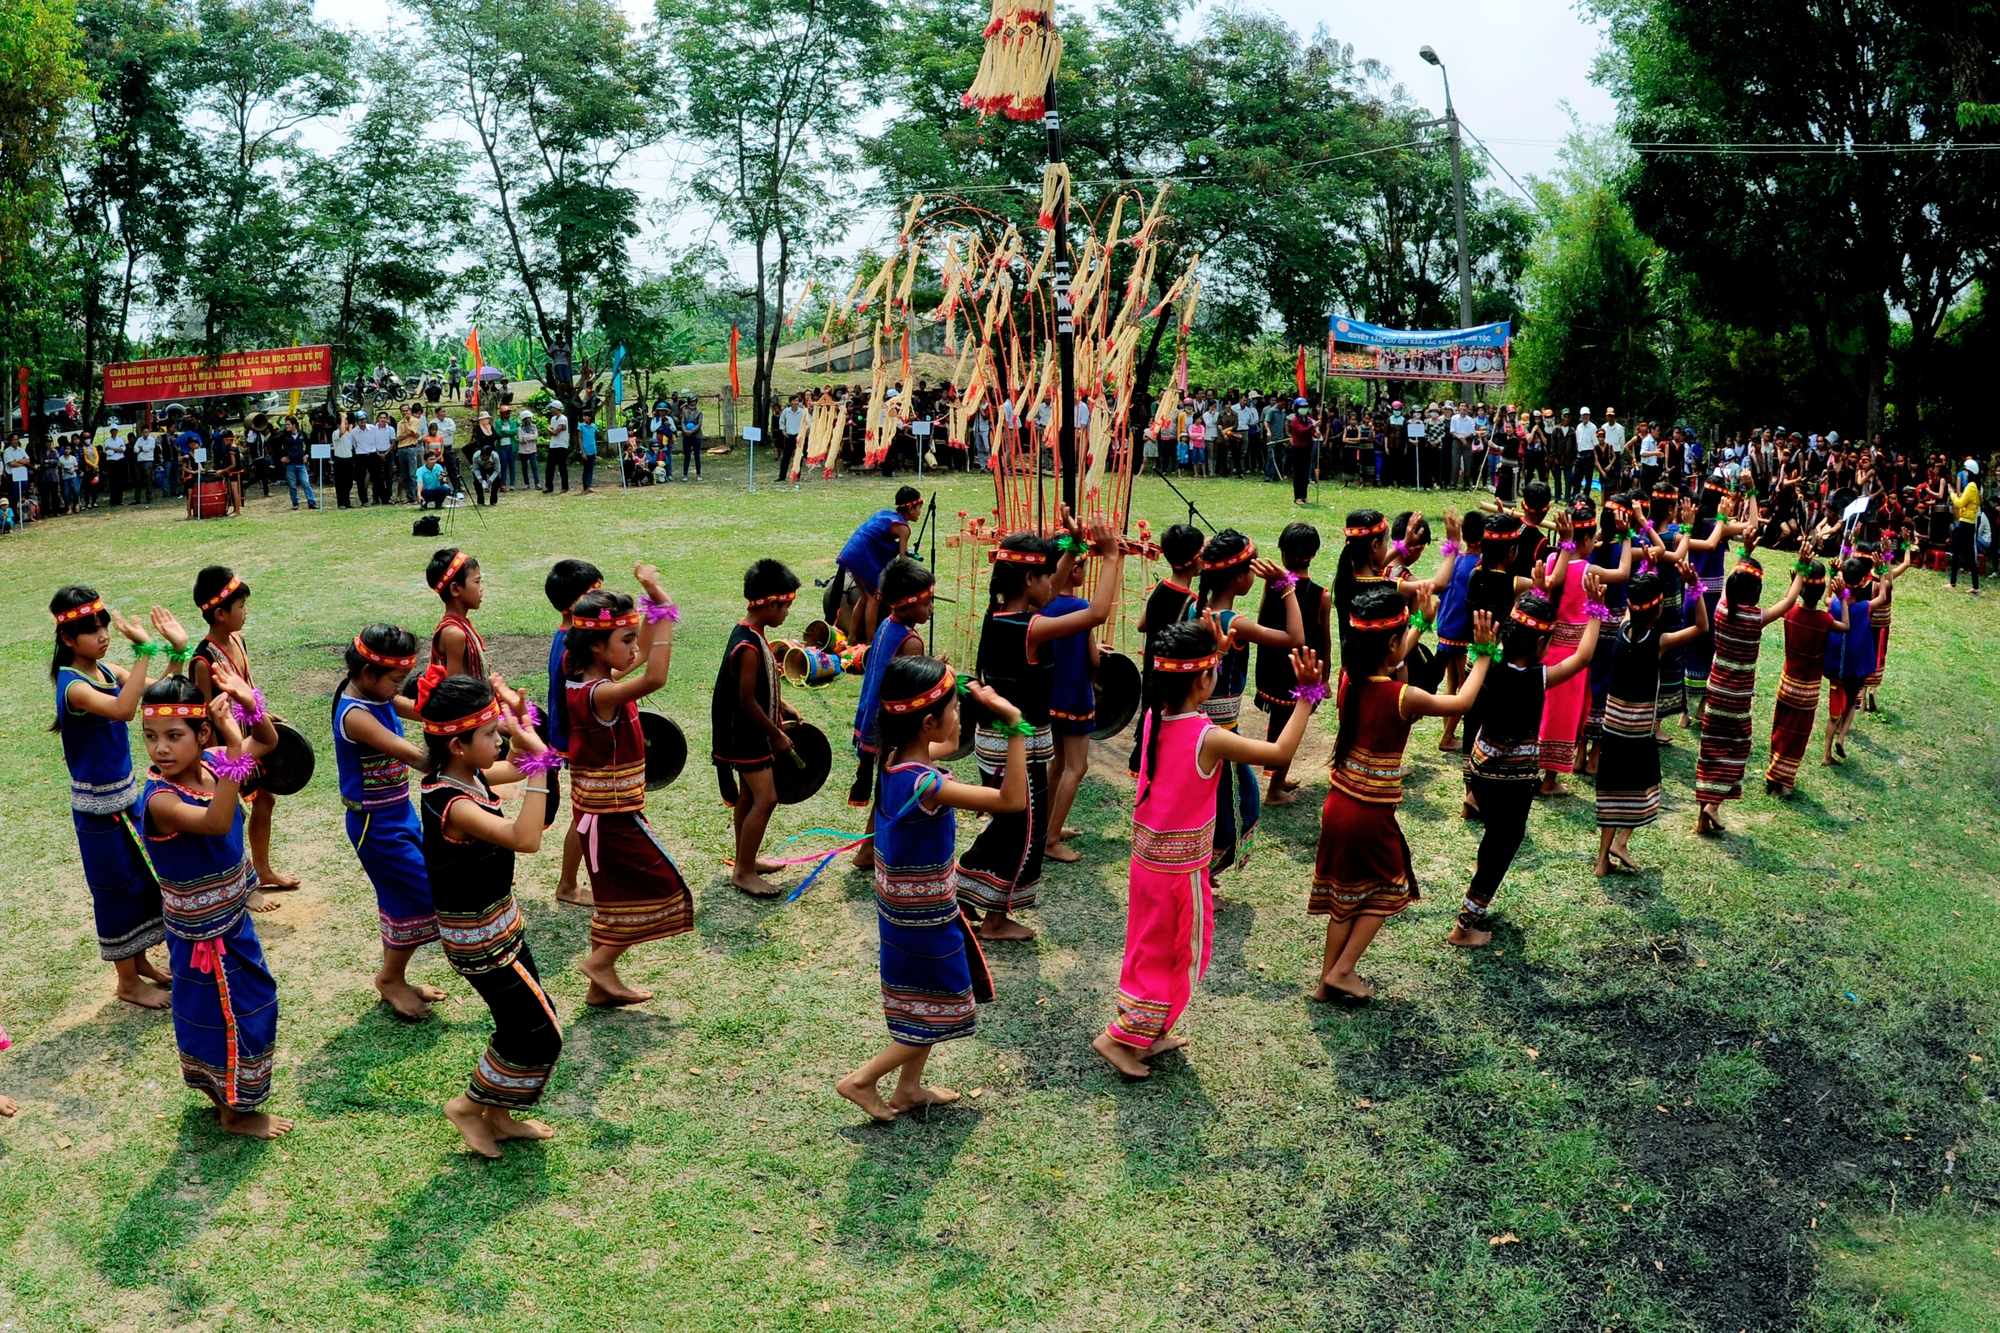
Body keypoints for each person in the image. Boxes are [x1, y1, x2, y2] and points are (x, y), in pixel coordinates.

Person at [1093, 625, 1326, 1076]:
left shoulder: (1154, 716)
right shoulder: (1207, 736)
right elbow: (1278, 753)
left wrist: (1211, 654)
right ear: (1202, 681)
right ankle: (1118, 1038)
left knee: (1149, 951)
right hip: (1177, 875)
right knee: (1173, 957)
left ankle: (1150, 1033)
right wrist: (1305, 697)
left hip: (1148, 865)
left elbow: (1193, 689)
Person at [835, 656, 1015, 1122]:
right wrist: (1015, 725)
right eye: (954, 707)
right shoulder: (928, 783)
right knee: (947, 1003)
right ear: (928, 721)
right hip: (924, 913)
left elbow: (950, 739)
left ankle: (909, 1088)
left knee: (922, 997)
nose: (959, 716)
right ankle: (861, 1079)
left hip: (907, 905)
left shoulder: (898, 762)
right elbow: (1010, 801)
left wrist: (955, 691)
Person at [1312, 587, 1495, 1001]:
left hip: (1338, 804)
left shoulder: (1349, 679)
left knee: (1345, 895)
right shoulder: (1401, 696)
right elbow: (1463, 701)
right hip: (1369, 814)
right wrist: (1484, 653)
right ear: (1390, 643)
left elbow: (1390, 657)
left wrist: (1419, 623)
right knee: (1389, 888)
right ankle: (1342, 971)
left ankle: (1326, 984)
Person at [138, 667, 292, 1138]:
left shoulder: (208, 765)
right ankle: (235, 1113)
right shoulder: (160, 798)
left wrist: (249, 703)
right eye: (149, 736)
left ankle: (224, 1094)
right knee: (232, 1012)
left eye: (172, 735)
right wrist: (232, 748)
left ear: (200, 732)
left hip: (227, 924)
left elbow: (265, 741)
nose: (160, 748)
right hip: (205, 937)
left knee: (232, 1009)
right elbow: (219, 822)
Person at [419, 674, 563, 1157]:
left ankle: (498, 1117)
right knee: (538, 1033)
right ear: (458, 745)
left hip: (501, 926)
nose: (499, 741)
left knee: (525, 1025)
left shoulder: (469, 775)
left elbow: (520, 767)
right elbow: (526, 838)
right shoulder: (452, 802)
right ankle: (467, 1106)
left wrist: (523, 729)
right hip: (479, 941)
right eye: (489, 735)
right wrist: (539, 759)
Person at [959, 514, 1120, 941]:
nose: (1055, 582)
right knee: (1019, 830)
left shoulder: (1001, 616)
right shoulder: (1031, 628)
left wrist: (1072, 547)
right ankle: (977, 901)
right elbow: (1098, 612)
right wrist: (1110, 555)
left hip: (997, 739)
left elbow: (1047, 590)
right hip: (1014, 745)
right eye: (1048, 576)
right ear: (1030, 579)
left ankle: (983, 904)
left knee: (1015, 826)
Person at [49, 587, 185, 1008]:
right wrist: (143, 649)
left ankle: (140, 964)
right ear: (68, 640)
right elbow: (125, 710)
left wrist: (177, 651)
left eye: (104, 625)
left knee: (141, 879)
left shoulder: (107, 671)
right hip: (97, 810)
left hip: (125, 798)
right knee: (114, 888)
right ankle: (126, 982)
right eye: (92, 630)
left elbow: (156, 697)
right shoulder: (73, 687)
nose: (104, 634)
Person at [564, 569, 690, 1004]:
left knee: (613, 899)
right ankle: (600, 963)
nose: (634, 650)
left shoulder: (597, 679)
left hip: (605, 811)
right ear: (597, 645)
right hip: (610, 817)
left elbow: (642, 654)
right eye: (625, 641)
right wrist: (665, 609)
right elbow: (655, 677)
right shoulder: (598, 693)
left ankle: (600, 989)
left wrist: (657, 603)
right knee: (663, 886)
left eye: (634, 640)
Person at [1453, 587, 1601, 942]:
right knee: (1505, 842)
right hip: (1512, 779)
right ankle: (1464, 926)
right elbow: (1582, 658)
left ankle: (1482, 871)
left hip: (1480, 768)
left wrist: (1486, 646)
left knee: (1495, 835)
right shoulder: (1537, 678)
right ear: (1540, 645)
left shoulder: (1485, 666)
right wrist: (1595, 609)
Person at [330, 621, 450, 1018]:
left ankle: (393, 978)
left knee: (401, 898)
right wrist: (466, 746)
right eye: (397, 679)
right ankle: (390, 978)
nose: (402, 687)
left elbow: (422, 712)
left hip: (400, 813)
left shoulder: (380, 697)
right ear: (368, 674)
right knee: (424, 895)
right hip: (375, 826)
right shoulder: (356, 715)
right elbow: (419, 758)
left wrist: (464, 717)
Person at [1183, 530, 1299, 871]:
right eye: (1250, 569)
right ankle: (1200, 875)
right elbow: (1296, 638)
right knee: (1237, 805)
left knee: (1209, 803)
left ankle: (1201, 872)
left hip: (1198, 723)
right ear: (1238, 576)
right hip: (1221, 732)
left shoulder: (1196, 608)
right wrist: (1287, 587)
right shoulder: (1232, 623)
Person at [188, 566, 296, 903]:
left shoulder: (237, 639)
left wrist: (261, 714)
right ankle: (242, 887)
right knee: (230, 813)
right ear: (220, 614)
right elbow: (207, 716)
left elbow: (245, 688)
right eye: (241, 607)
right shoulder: (203, 661)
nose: (245, 612)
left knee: (265, 799)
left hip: (251, 735)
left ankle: (262, 869)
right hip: (227, 748)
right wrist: (224, 764)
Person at [1593, 573, 1709, 874]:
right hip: (1639, 730)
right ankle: (1622, 841)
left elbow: (1635, 606)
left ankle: (1602, 859)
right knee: (1647, 786)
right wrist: (1694, 587)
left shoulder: (1621, 630)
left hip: (1612, 725)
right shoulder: (1659, 641)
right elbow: (1702, 628)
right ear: (1658, 611)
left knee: (1611, 788)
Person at [709, 560, 804, 898]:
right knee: (767, 798)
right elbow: (746, 701)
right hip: (745, 735)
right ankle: (744, 872)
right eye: (786, 606)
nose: (787, 614)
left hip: (746, 732)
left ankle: (744, 860)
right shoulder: (748, 646)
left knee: (749, 797)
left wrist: (782, 705)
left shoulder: (754, 634)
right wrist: (777, 733)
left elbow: (762, 688)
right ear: (769, 603)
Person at [1693, 556, 1804, 834]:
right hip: (1738, 700)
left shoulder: (1720, 610)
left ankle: (1701, 822)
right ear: (1755, 592)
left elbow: (1735, 579)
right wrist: (1801, 566)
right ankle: (1714, 805)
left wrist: (1745, 553)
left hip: (1715, 693)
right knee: (1738, 750)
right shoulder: (1755, 619)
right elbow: (1789, 602)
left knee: (1710, 752)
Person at [847, 556, 937, 853]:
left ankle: (869, 850)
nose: (931, 608)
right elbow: (909, 688)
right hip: (892, 723)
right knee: (892, 786)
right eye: (927, 603)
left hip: (872, 716)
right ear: (907, 605)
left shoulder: (887, 623)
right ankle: (868, 851)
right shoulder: (911, 642)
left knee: (886, 786)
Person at [1251, 523, 1331, 806]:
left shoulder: (1272, 585)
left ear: (1283, 555)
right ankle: (1274, 790)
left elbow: (1261, 622)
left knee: (1281, 725)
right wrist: (1325, 678)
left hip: (1272, 667)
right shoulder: (1322, 596)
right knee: (1288, 730)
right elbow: (1324, 642)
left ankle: (1279, 779)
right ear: (1315, 555)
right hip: (1302, 674)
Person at [1764, 552, 1847, 796]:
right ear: (1822, 592)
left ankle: (1774, 774)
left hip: (1786, 686)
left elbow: (1786, 601)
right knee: (1797, 736)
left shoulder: (1789, 614)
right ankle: (1786, 782)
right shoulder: (1824, 620)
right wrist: (1842, 596)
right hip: (1807, 692)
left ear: (1800, 591)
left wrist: (1793, 582)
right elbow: (1846, 627)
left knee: (1780, 729)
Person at [543, 559, 602, 908]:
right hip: (578, 740)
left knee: (593, 812)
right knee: (586, 813)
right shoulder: (573, 646)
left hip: (572, 737)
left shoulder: (567, 637)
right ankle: (567, 885)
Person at [1127, 523, 1205, 775]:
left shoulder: (1161, 588)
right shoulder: (1191, 603)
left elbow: (1141, 625)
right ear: (1195, 562)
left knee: (1151, 718)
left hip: (1151, 671)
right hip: (1172, 677)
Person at [836, 488, 922, 644]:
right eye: (919, 508)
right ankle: (871, 642)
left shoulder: (886, 514)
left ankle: (852, 637)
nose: (920, 512)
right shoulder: (904, 528)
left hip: (851, 551)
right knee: (875, 599)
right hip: (862, 556)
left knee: (864, 598)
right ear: (910, 508)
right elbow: (902, 561)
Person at [1821, 556, 1876, 767]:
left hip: (1834, 668)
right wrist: (1882, 568)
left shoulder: (1833, 604)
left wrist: (1833, 575)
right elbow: (1886, 594)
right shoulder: (1865, 608)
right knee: (1852, 702)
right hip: (1854, 669)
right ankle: (1842, 738)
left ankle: (1826, 755)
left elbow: (1826, 597)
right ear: (1863, 582)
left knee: (1833, 714)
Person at [1947, 459, 1980, 592]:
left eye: (1966, 471)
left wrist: (1951, 492)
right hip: (1970, 524)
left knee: (1956, 551)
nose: (1964, 474)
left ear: (1970, 472)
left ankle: (1952, 582)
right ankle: (1976, 586)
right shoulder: (1975, 486)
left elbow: (1959, 503)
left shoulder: (1971, 486)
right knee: (1970, 556)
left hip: (1965, 523)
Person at [472, 439, 502, 506]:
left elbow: (497, 469)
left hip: (491, 468)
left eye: (485, 456)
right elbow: (475, 468)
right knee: (476, 482)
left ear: (489, 455)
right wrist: (479, 478)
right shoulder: (476, 456)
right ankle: (480, 501)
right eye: (482, 456)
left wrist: (491, 479)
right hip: (480, 468)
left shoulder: (495, 456)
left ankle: (493, 501)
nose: (483, 457)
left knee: (497, 480)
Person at [516, 411, 541, 491]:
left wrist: (526, 437)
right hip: (523, 451)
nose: (530, 419)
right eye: (529, 418)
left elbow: (535, 437)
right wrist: (530, 437)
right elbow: (520, 439)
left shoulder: (534, 427)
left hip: (532, 449)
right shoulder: (520, 428)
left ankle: (537, 483)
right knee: (524, 467)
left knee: (534, 466)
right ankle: (526, 483)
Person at [681, 400, 704, 480]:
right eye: (691, 402)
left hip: (696, 436)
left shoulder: (699, 412)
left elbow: (699, 424)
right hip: (686, 436)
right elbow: (682, 422)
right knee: (687, 456)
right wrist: (685, 430)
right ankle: (685, 475)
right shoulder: (685, 412)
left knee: (697, 456)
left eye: (694, 401)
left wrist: (692, 431)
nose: (692, 403)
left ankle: (698, 474)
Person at [577, 410, 599, 493]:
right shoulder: (581, 426)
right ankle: (585, 486)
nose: (584, 417)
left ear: (590, 417)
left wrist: (595, 450)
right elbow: (579, 439)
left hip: (592, 450)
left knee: (590, 469)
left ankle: (589, 485)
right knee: (585, 469)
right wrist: (582, 452)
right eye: (583, 416)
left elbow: (594, 438)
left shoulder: (594, 426)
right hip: (585, 450)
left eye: (586, 416)